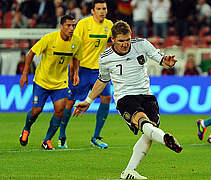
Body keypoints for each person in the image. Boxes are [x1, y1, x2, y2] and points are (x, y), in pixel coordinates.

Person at [73, 20, 182, 179]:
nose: (125, 44)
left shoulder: (142, 44)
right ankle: (165, 139)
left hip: (146, 95)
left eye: (127, 40)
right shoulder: (105, 58)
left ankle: (129, 171)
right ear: (112, 40)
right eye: (121, 41)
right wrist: (88, 101)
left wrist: (169, 63)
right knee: (144, 122)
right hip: (124, 97)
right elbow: (102, 80)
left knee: (149, 133)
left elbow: (162, 60)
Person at [19, 15, 81, 150]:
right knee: (36, 111)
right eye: (68, 25)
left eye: (73, 26)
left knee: (60, 111)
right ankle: (26, 128)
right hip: (42, 81)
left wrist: (75, 73)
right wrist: (25, 74)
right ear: (61, 26)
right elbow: (31, 53)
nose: (71, 28)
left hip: (60, 83)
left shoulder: (76, 41)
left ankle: (47, 140)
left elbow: (76, 57)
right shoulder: (49, 38)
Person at [58, 0, 114, 149]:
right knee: (70, 102)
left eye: (104, 8)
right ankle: (62, 135)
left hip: (99, 71)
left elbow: (112, 45)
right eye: (99, 8)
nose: (102, 11)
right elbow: (73, 47)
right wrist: (73, 71)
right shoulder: (83, 24)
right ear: (92, 11)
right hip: (81, 69)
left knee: (107, 97)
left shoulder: (109, 25)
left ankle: (96, 136)